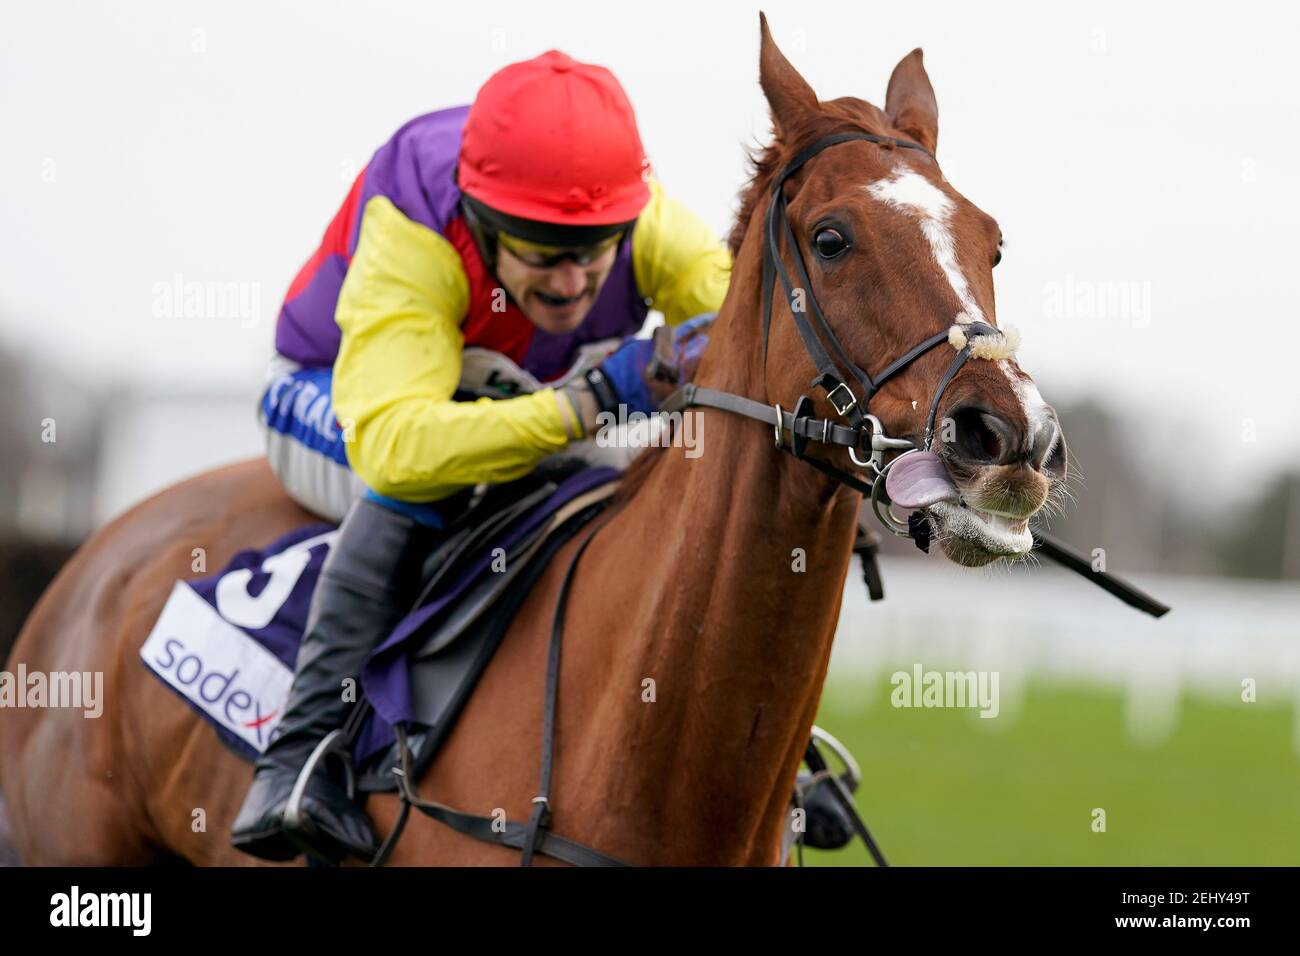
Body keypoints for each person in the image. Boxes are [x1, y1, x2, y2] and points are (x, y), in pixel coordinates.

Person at [231, 49, 731, 863]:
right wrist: (595, 400)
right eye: (541, 253)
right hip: (332, 397)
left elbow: (754, 333)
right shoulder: (418, 225)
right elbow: (397, 449)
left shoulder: (641, 219)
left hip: (490, 387)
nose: (572, 283)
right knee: (429, 481)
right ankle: (300, 758)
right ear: (481, 220)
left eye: (593, 250)